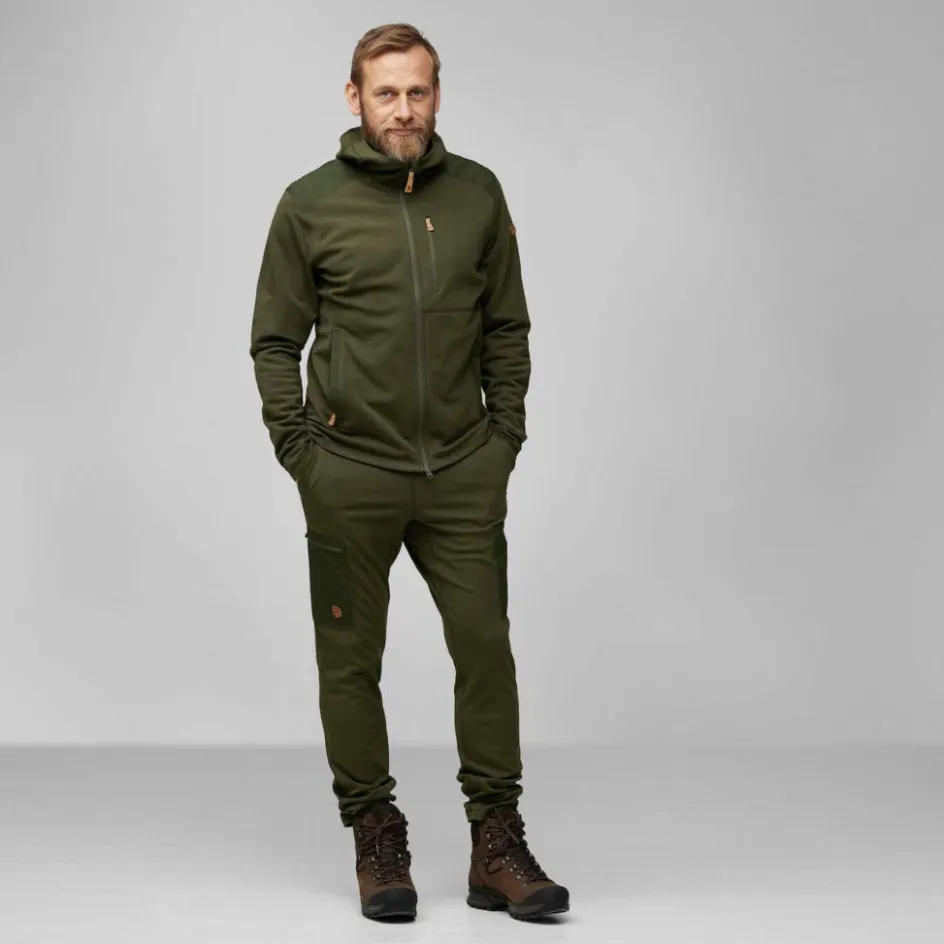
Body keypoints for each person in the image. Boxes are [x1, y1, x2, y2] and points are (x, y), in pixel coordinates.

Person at [249, 22, 569, 922]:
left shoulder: (477, 194)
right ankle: (375, 837)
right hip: (349, 470)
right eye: (385, 93)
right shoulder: (309, 204)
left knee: (485, 647)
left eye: (417, 92)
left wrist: (503, 437)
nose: (403, 110)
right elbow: (274, 340)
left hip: (463, 468)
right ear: (354, 98)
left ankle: (496, 845)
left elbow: (508, 326)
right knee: (351, 662)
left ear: (437, 96)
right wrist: (302, 453)